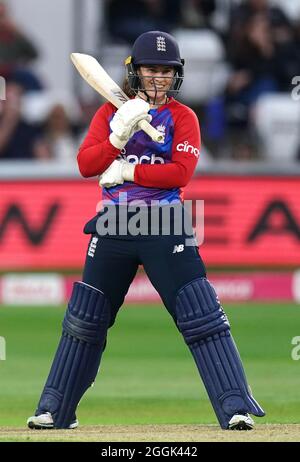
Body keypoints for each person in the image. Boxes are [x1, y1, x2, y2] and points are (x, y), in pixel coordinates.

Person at [27, 31, 265, 431]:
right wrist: (118, 136)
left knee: (200, 314)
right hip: (114, 223)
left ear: (177, 76)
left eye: (166, 71)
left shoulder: (183, 117)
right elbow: (87, 165)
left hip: (164, 223)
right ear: (134, 73)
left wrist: (126, 169)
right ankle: (56, 410)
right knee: (86, 319)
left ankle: (235, 407)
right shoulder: (108, 113)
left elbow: (181, 172)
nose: (158, 78)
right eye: (151, 70)